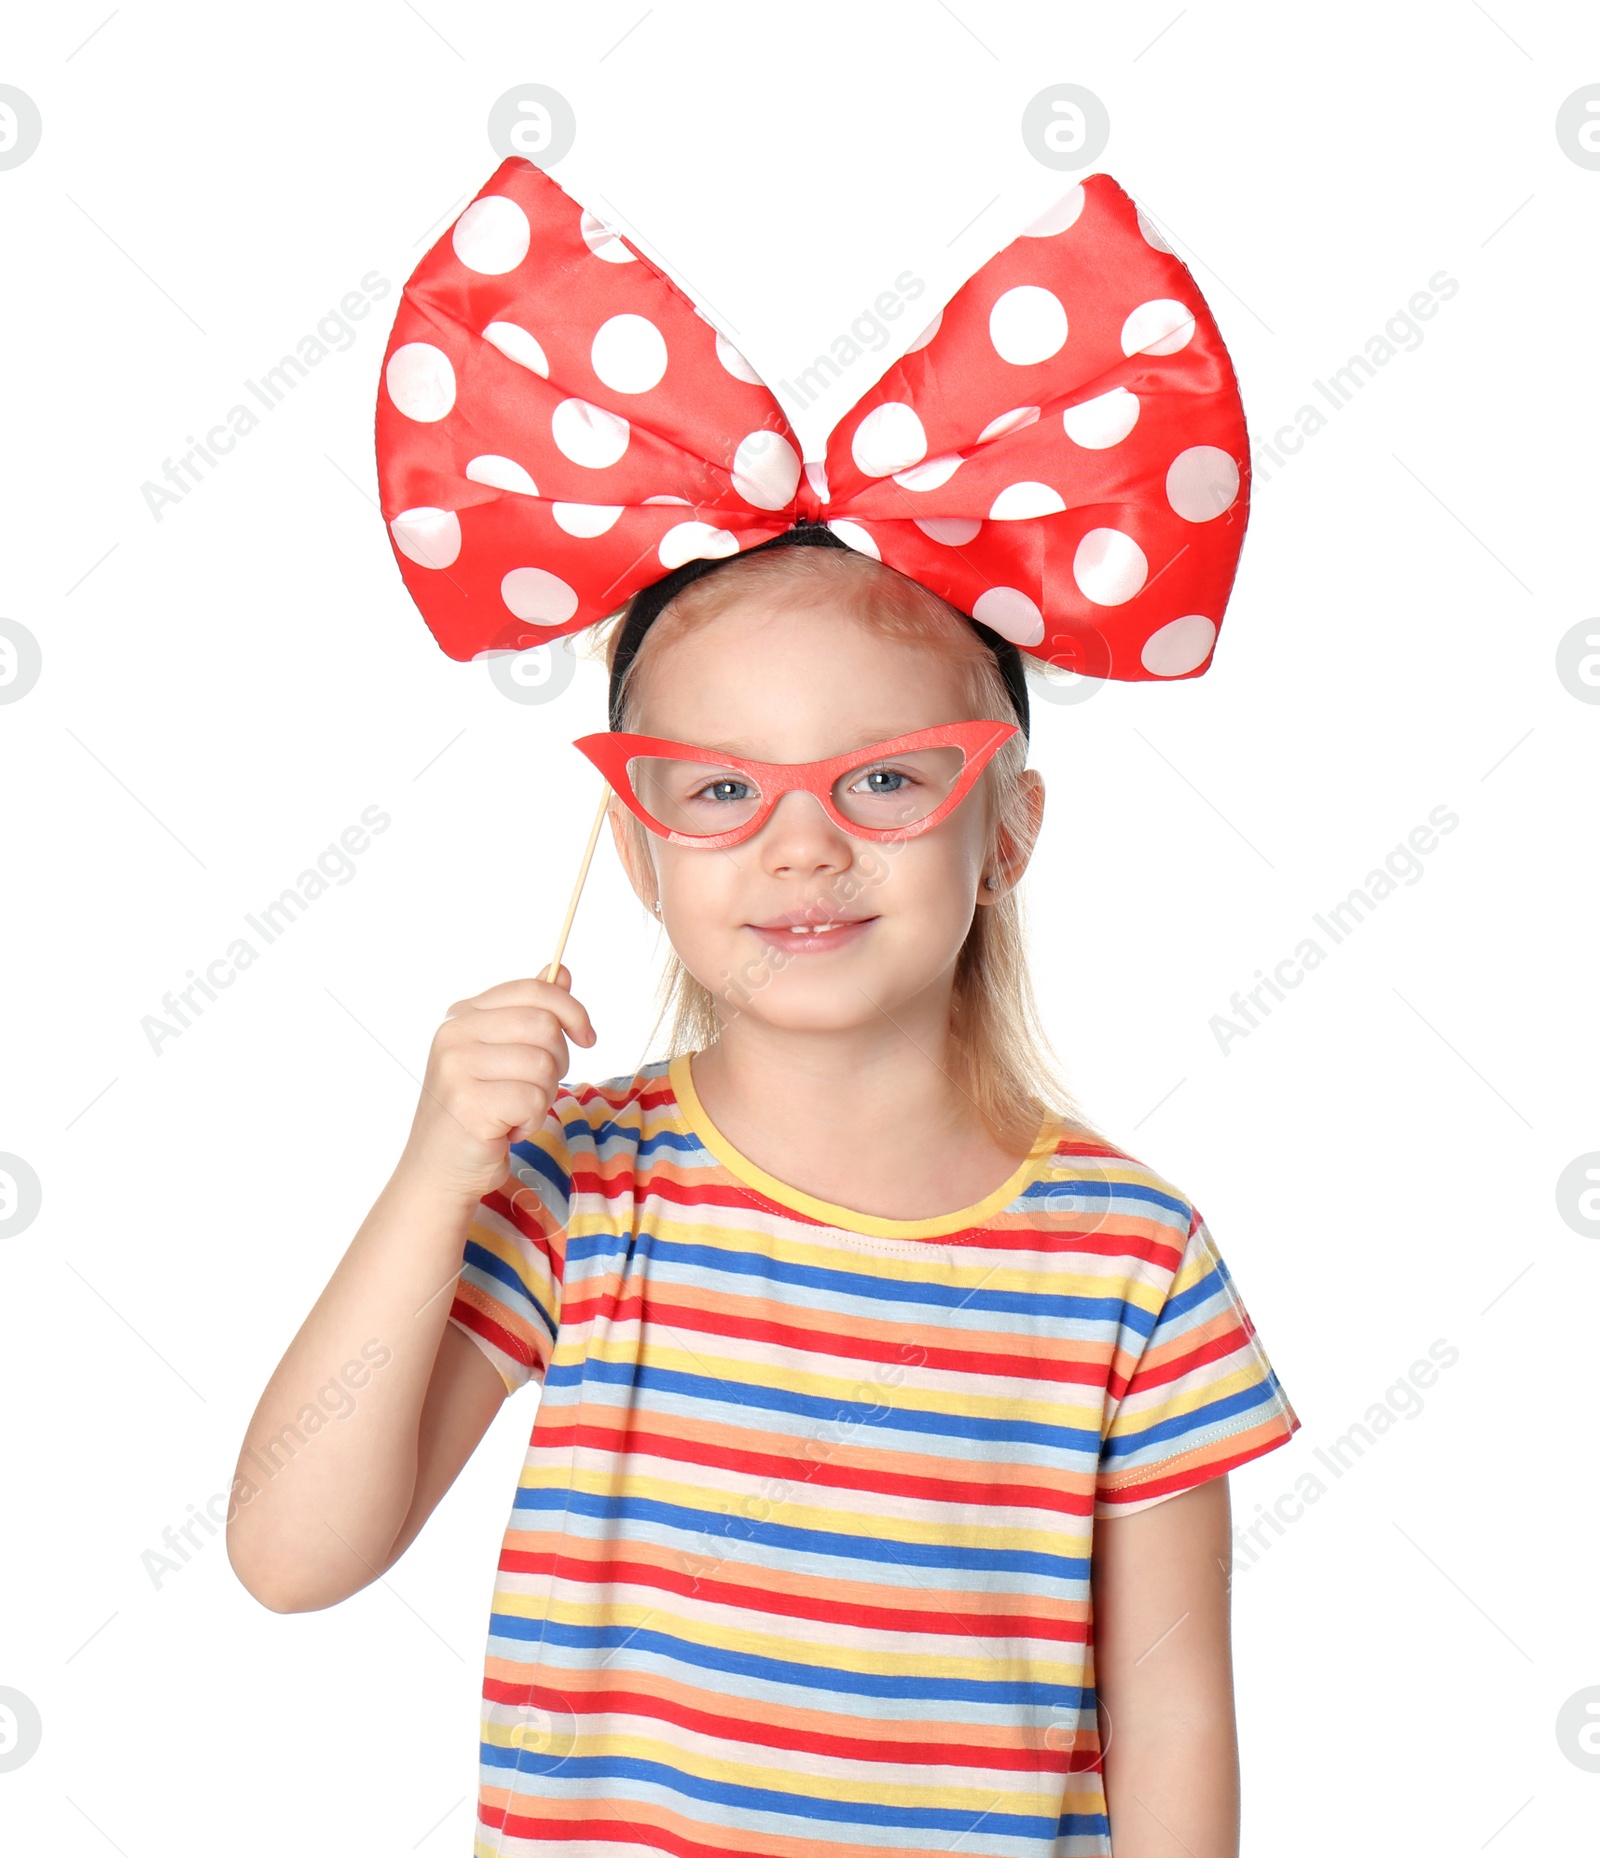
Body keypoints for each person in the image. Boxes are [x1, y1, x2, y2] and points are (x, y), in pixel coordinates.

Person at [227, 158, 1300, 1858]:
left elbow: (1174, 1703)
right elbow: (292, 1551)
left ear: (1003, 827)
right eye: (716, 791)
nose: (802, 843)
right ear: (641, 855)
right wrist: (436, 1166)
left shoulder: (1130, 1257)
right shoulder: (580, 1189)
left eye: (884, 775)